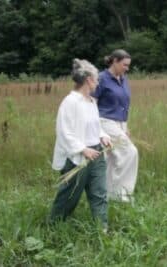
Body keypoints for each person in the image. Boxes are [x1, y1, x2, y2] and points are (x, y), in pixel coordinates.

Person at [50, 59, 112, 231]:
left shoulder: (91, 102)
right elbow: (64, 132)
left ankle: (102, 229)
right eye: (96, 79)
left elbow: (96, 127)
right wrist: (83, 149)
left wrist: (103, 137)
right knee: (69, 196)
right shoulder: (70, 102)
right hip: (77, 157)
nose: (98, 82)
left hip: (97, 154)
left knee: (99, 192)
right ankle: (54, 226)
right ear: (89, 80)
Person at [92, 49, 138, 203]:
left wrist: (125, 127)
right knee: (130, 152)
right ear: (115, 62)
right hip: (105, 122)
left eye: (128, 65)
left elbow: (124, 104)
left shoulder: (123, 79)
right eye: (125, 65)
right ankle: (123, 194)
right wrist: (96, 129)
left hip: (120, 123)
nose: (127, 68)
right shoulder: (101, 79)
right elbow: (92, 103)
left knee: (111, 159)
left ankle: (110, 194)